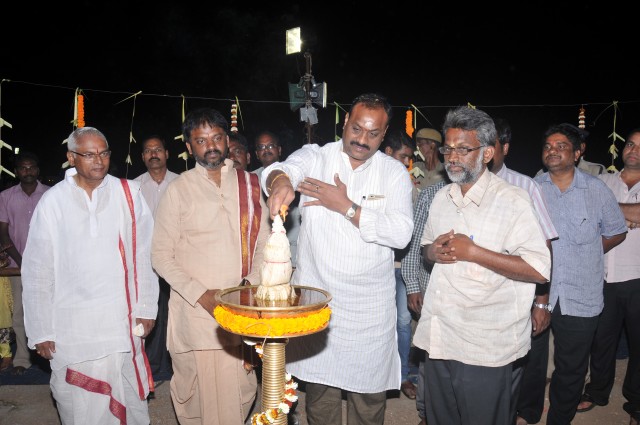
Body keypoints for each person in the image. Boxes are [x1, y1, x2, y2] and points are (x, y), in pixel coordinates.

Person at [263, 93, 414, 425]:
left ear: (384, 134)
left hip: (369, 313)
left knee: (368, 402)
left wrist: (346, 206)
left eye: (373, 133)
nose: (362, 140)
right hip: (321, 305)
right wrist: (280, 182)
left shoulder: (393, 173)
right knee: (321, 400)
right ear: (345, 121)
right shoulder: (317, 157)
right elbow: (281, 169)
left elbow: (401, 233)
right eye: (356, 128)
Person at [413, 106, 551, 425]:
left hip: (485, 344)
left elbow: (539, 268)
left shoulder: (513, 200)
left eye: (463, 149)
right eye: (448, 148)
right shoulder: (441, 198)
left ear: (487, 153)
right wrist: (433, 251)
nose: (452, 157)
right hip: (439, 336)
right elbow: (426, 250)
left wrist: (475, 252)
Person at [21, 127, 158, 424]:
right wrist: (41, 330)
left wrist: (147, 307)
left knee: (127, 398)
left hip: (120, 321)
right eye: (89, 154)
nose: (99, 160)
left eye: (104, 153)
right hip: (72, 326)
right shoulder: (53, 201)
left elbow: (145, 254)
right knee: (79, 406)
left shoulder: (128, 194)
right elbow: (37, 269)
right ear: (71, 157)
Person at [151, 107, 271, 424]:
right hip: (195, 315)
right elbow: (160, 255)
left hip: (240, 312)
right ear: (189, 146)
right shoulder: (178, 190)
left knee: (239, 393)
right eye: (201, 140)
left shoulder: (249, 184)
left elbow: (265, 244)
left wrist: (249, 286)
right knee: (195, 400)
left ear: (227, 141)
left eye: (217, 138)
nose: (211, 146)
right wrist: (201, 295)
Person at [534, 122, 627, 425]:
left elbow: (617, 230)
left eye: (561, 146)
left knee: (571, 367)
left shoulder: (596, 190)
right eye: (548, 146)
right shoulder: (533, 188)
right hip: (539, 291)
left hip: (581, 293)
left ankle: (558, 419)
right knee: (530, 360)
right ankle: (526, 412)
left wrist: (589, 253)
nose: (553, 151)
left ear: (576, 153)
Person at [489, 117, 559, 425]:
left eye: (490, 144)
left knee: (526, 360)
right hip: (480, 296)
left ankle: (526, 413)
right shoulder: (460, 184)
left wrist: (541, 302)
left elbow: (545, 246)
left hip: (520, 291)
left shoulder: (525, 186)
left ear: (504, 147)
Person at [577, 128, 640, 425]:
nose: (634, 150)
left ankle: (636, 401)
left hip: (638, 276)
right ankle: (597, 391)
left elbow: (603, 214)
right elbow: (587, 215)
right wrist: (628, 215)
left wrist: (611, 212)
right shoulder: (602, 181)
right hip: (602, 275)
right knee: (602, 340)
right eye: (631, 144)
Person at [401, 178, 447, 425]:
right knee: (431, 356)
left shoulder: (497, 191)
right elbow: (415, 240)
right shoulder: (432, 193)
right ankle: (428, 413)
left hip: (471, 296)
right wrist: (412, 285)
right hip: (431, 289)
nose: (454, 159)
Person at [134, 135, 179, 387]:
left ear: (166, 153)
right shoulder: (134, 187)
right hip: (145, 263)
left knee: (175, 313)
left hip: (176, 260)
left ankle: (175, 364)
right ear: (143, 157)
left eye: (158, 149)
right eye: (148, 150)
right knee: (150, 311)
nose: (154, 154)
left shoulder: (181, 183)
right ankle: (150, 367)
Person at [0, 151, 50, 375]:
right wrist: (23, 262)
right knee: (19, 314)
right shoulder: (6, 196)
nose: (27, 171)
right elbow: (3, 234)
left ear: (37, 170)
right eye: (23, 167)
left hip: (47, 266)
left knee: (48, 311)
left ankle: (52, 356)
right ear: (16, 171)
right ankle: (22, 358)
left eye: (31, 167)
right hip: (17, 266)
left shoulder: (51, 194)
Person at [382, 129, 419, 400]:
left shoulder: (408, 184)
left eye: (409, 158)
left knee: (404, 322)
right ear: (388, 153)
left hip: (404, 265)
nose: (407, 163)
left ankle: (403, 375)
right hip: (380, 266)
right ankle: (382, 375)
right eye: (403, 157)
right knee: (381, 322)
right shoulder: (374, 180)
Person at [252, 129, 302, 267]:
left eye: (270, 145)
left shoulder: (294, 175)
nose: (266, 150)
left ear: (279, 150)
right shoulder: (251, 179)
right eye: (261, 147)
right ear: (256, 154)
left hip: (292, 251)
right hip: (263, 253)